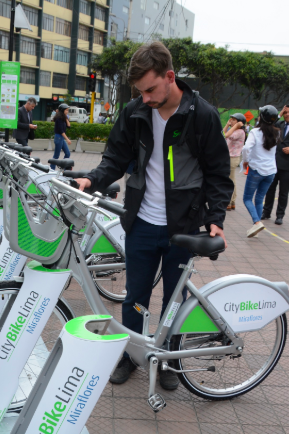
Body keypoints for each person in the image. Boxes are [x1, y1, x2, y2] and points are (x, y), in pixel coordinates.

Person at [73, 41, 232, 390]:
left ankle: (170, 361)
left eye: (150, 89)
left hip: (184, 224)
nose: (145, 98)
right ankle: (132, 355)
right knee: (135, 298)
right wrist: (91, 178)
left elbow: (219, 172)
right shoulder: (135, 112)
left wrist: (215, 217)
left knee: (177, 298)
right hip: (142, 222)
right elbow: (115, 158)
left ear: (170, 76)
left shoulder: (201, 115)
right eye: (140, 92)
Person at [242, 106, 280, 238]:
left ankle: (257, 222)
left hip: (256, 170)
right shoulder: (277, 132)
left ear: (261, 117)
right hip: (271, 171)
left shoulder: (255, 132)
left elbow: (246, 147)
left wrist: (245, 161)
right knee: (259, 199)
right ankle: (256, 227)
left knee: (247, 198)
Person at [223, 113, 246, 211]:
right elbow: (223, 134)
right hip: (229, 157)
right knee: (231, 179)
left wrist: (236, 126)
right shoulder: (235, 130)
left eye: (233, 120)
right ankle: (232, 201)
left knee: (230, 180)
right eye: (231, 119)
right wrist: (228, 125)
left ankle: (229, 201)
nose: (231, 121)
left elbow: (227, 135)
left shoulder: (240, 131)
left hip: (233, 158)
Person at [50, 103, 71, 169]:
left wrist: (66, 118)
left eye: (68, 110)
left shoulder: (63, 117)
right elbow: (61, 131)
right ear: (62, 110)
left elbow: (69, 126)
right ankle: (52, 169)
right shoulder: (59, 119)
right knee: (56, 156)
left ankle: (63, 168)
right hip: (58, 137)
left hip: (61, 138)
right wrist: (67, 139)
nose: (67, 111)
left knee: (67, 153)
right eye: (66, 110)